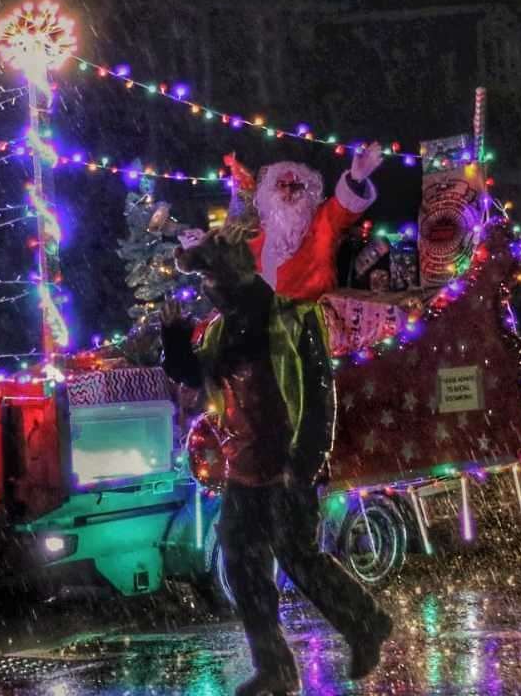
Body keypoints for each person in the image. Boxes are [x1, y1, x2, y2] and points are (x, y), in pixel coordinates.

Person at [160, 224, 393, 695]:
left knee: (297, 555)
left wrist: (305, 460)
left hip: (286, 463)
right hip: (245, 466)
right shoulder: (220, 331)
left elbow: (319, 389)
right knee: (243, 563)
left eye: (211, 280)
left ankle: (366, 623)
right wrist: (173, 336)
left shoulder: (288, 318)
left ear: (232, 275)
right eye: (204, 282)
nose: (206, 290)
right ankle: (276, 668)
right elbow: (192, 374)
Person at [239, 143, 385, 302]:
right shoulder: (260, 232)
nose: (289, 192)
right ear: (271, 191)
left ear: (308, 191)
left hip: (312, 313)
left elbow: (343, 209)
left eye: (296, 186)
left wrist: (355, 180)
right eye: (282, 185)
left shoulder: (322, 220)